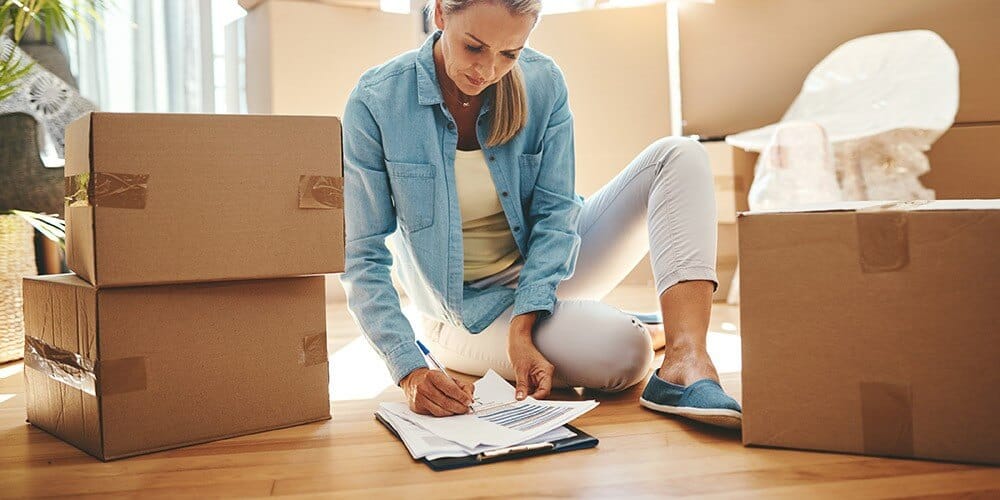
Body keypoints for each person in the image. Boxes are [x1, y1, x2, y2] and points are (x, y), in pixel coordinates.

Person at [342, 0, 742, 428]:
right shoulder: (377, 102)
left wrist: (525, 322)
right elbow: (362, 257)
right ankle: (637, 328)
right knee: (625, 352)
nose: (487, 70)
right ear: (440, 13)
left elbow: (556, 213)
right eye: (474, 47)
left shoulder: (543, 81)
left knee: (680, 155)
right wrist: (408, 369)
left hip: (547, 270)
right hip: (465, 311)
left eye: (509, 54)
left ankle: (687, 361)